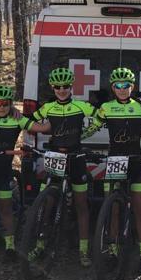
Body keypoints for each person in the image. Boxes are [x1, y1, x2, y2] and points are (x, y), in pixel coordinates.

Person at [84, 67, 141, 274]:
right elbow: (91, 130)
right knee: (113, 209)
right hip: (115, 161)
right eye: (117, 86)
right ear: (112, 88)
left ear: (133, 87)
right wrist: (73, 142)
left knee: (140, 209)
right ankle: (112, 251)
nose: (122, 89)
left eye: (126, 85)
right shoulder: (105, 108)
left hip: (135, 161)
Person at [0, 85, 50, 260]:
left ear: (11, 104)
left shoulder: (17, 120)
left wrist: (54, 111)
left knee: (5, 207)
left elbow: (42, 129)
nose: (2, 107)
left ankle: (10, 245)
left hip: (2, 170)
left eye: (6, 104)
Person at [30, 67, 97, 267]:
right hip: (55, 155)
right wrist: (20, 118)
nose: (61, 90)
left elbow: (104, 116)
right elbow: (29, 121)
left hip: (76, 157)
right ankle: (40, 244)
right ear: (52, 87)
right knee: (47, 202)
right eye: (57, 87)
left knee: (81, 205)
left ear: (71, 87)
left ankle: (83, 250)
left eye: (65, 86)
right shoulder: (48, 107)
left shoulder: (81, 106)